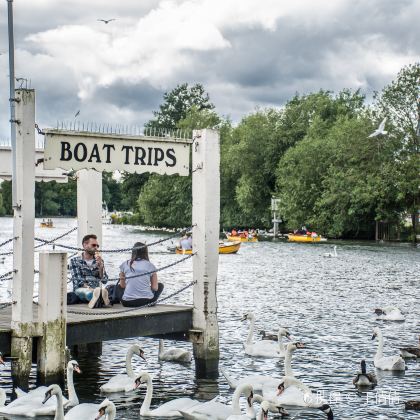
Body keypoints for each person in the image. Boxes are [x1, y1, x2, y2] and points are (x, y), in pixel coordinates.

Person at [119, 242, 164, 307]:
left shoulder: (125, 264)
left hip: (127, 303)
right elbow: (155, 288)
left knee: (118, 287)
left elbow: (122, 286)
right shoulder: (150, 266)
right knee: (160, 285)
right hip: (147, 302)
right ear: (145, 252)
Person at [69, 234, 109, 306]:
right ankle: (100, 299)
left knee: (102, 290)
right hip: (81, 290)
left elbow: (105, 280)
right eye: (93, 245)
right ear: (85, 245)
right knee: (88, 292)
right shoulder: (74, 261)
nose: (96, 247)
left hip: (95, 290)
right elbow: (78, 281)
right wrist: (90, 288)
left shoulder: (99, 260)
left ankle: (97, 299)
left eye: (97, 246)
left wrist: (101, 267)